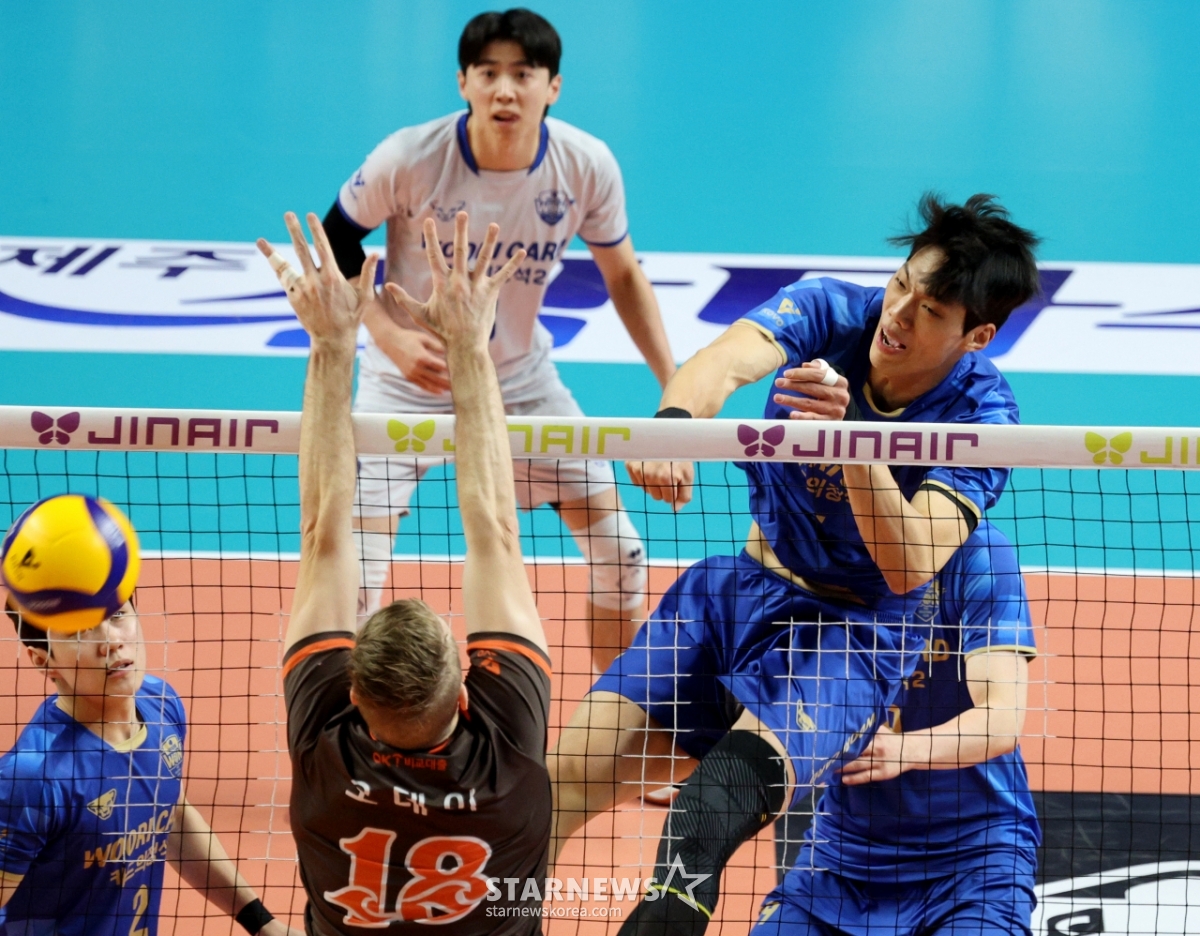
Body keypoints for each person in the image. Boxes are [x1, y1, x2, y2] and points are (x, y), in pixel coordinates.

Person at [550, 194, 1041, 933]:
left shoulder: (983, 416)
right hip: (735, 592)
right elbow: (724, 361)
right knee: (558, 784)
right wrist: (674, 425)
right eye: (901, 284)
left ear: (977, 336)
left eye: (930, 310)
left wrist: (850, 443)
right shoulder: (830, 310)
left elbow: (911, 564)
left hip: (853, 634)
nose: (898, 314)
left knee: (703, 820)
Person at [322, 7, 674, 670]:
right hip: (404, 385)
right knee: (355, 579)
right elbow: (335, 240)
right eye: (488, 74)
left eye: (523, 74)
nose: (505, 90)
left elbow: (624, 275)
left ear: (553, 86)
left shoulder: (584, 165)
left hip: (519, 383)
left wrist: (673, 390)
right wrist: (388, 337)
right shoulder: (409, 158)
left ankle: (618, 715)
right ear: (463, 82)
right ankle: (358, 725)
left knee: (621, 554)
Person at [259, 209, 552, 934]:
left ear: (353, 694)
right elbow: (495, 529)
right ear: (464, 694)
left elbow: (325, 533)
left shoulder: (325, 756)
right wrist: (472, 344)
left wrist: (332, 341)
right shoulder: (509, 758)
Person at [758, 521, 1040, 936]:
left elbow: (1001, 720)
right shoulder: (824, 549)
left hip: (974, 859)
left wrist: (901, 750)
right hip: (843, 857)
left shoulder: (976, 551)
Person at [0, 599, 297, 936]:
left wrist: (262, 923)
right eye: (79, 632)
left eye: (117, 615)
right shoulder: (32, 776)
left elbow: (171, 814)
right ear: (43, 661)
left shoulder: (160, 703)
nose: (112, 641)